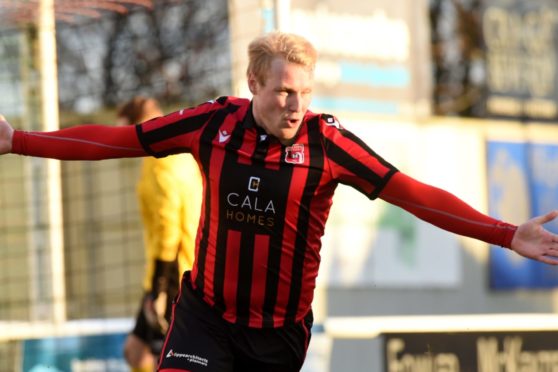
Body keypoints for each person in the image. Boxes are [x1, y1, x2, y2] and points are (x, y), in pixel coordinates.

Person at [2, 32, 558, 371]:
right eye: (283, 91)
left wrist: (506, 234)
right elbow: (119, 141)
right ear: (254, 84)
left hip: (278, 336)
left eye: (304, 92)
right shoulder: (211, 124)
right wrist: (17, 141)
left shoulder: (327, 144)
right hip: (205, 317)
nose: (295, 105)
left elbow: (412, 194)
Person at [116, 97, 203, 372]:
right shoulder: (179, 153)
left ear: (137, 127)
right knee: (135, 350)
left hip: (173, 274)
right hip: (176, 266)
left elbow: (169, 228)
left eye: (123, 134)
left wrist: (159, 287)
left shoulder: (160, 162)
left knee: (163, 360)